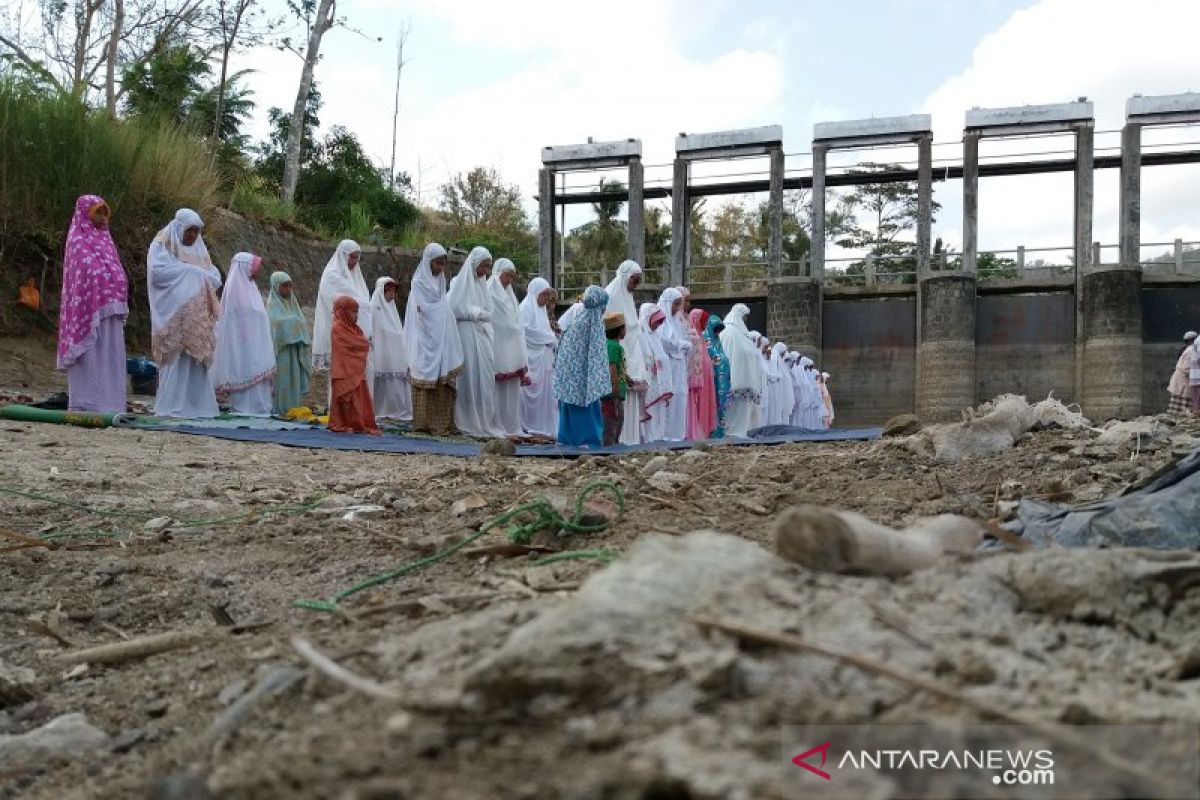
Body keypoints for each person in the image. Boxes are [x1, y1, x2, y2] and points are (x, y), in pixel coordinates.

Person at [57, 195, 128, 413]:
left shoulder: (106, 241)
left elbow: (115, 270)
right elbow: (82, 275)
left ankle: (111, 402)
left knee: (110, 356)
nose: (103, 217)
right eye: (98, 212)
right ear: (86, 213)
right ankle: (86, 402)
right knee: (91, 355)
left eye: (105, 212)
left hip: (110, 311)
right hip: (87, 312)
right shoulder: (77, 240)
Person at [147, 208, 221, 418]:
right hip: (174, 314)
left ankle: (197, 407)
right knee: (177, 359)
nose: (193, 236)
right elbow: (158, 273)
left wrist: (196, 274)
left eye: (197, 231)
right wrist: (190, 272)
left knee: (195, 361)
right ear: (180, 227)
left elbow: (214, 276)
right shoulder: (162, 244)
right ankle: (172, 405)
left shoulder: (199, 249)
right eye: (190, 231)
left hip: (196, 317)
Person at [405, 243, 464, 435]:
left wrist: (443, 314)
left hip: (442, 340)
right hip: (425, 340)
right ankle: (424, 424)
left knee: (443, 382)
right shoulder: (418, 284)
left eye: (442, 264)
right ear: (429, 262)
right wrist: (441, 313)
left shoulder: (440, 282)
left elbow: (442, 307)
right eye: (437, 263)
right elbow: (422, 312)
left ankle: (443, 424)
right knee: (425, 378)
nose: (440, 268)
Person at [448, 246, 506, 438]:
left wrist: (485, 315)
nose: (486, 271)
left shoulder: (482, 285)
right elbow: (455, 307)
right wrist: (476, 313)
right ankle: (467, 419)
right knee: (470, 377)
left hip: (482, 335)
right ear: (474, 264)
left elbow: (489, 309)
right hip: (467, 335)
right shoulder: (461, 284)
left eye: (489, 267)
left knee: (485, 378)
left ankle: (483, 419)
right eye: (484, 266)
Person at [211, 253, 275, 416]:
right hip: (243, 343)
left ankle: (260, 407)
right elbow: (237, 318)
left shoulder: (251, 287)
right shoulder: (235, 290)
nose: (257, 271)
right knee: (245, 371)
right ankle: (245, 408)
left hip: (256, 343)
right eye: (254, 266)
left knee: (257, 373)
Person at [554, 285, 610, 447]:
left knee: (569, 407)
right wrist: (597, 379)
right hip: (581, 378)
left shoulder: (578, 320)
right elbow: (597, 354)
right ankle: (587, 440)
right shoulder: (593, 321)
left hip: (568, 376)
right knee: (585, 406)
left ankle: (566, 439)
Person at [313, 239, 370, 373]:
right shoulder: (331, 275)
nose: (355, 261)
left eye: (357, 257)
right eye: (352, 257)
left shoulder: (356, 275)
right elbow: (335, 300)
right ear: (343, 255)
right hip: (337, 327)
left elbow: (362, 297)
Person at [605, 261, 646, 444]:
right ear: (625, 277)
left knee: (629, 398)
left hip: (630, 349)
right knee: (616, 404)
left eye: (638, 281)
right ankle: (616, 439)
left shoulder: (627, 297)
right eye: (633, 280)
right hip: (618, 349)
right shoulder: (612, 294)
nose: (635, 285)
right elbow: (610, 325)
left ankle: (630, 436)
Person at [488, 258, 528, 436]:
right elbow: (492, 318)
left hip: (512, 348)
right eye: (507, 276)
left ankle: (511, 425)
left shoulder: (511, 296)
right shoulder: (489, 290)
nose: (509, 280)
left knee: (511, 389)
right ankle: (497, 424)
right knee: (498, 387)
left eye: (512, 277)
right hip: (498, 347)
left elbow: (516, 321)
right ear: (498, 273)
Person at [328, 295, 379, 435]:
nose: (356, 315)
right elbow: (357, 345)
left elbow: (361, 344)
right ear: (343, 312)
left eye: (357, 312)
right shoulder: (337, 327)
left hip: (356, 371)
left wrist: (362, 345)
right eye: (353, 312)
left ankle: (357, 423)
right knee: (345, 399)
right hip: (344, 371)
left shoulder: (356, 329)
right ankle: (344, 423)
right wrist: (362, 345)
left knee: (359, 399)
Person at [267, 271, 312, 414]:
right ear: (276, 287)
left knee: (294, 381)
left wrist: (295, 323)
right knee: (282, 382)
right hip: (281, 353)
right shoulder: (271, 304)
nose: (288, 290)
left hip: (295, 350)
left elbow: (301, 322)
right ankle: (279, 408)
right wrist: (293, 323)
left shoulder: (293, 304)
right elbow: (275, 324)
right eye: (284, 286)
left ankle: (292, 409)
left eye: (289, 286)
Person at [368, 276, 412, 421]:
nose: (392, 295)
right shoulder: (374, 307)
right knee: (383, 381)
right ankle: (381, 408)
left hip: (394, 352)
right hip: (381, 351)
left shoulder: (392, 310)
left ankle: (395, 409)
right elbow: (374, 329)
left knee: (395, 382)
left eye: (394, 292)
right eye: (389, 291)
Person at [519, 276, 558, 437]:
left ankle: (544, 426)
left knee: (546, 396)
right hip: (532, 358)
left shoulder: (541, 311)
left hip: (545, 360)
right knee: (531, 392)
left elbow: (546, 331)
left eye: (546, 296)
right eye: (543, 295)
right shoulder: (526, 308)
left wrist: (550, 339)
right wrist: (548, 338)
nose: (545, 299)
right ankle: (530, 425)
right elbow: (525, 331)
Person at [718, 304, 765, 437]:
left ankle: (740, 433)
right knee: (731, 410)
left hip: (744, 380)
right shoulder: (727, 332)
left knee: (741, 409)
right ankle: (730, 433)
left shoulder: (740, 333)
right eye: (743, 317)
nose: (744, 321)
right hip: (733, 378)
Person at [656, 287, 691, 441]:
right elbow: (663, 341)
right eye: (675, 304)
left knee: (679, 396)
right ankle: (666, 434)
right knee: (668, 398)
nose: (677, 308)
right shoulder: (661, 319)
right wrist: (681, 345)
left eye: (679, 304)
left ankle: (677, 434)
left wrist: (683, 345)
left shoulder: (676, 320)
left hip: (678, 365)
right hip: (667, 364)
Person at [638, 303, 673, 443]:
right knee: (649, 409)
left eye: (659, 321)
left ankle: (657, 435)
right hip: (648, 379)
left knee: (657, 409)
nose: (658, 324)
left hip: (657, 380)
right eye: (655, 321)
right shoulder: (641, 334)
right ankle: (647, 438)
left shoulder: (654, 336)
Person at [687, 308, 717, 439]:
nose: (705, 325)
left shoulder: (702, 338)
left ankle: (704, 431)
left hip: (705, 379)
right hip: (697, 379)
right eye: (703, 321)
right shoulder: (692, 337)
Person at [601, 312, 629, 447]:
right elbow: (611, 366)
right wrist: (615, 385)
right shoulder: (612, 346)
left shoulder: (616, 346)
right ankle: (609, 444)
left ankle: (615, 441)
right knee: (611, 417)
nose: (625, 331)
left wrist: (627, 379)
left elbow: (619, 366)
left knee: (619, 416)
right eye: (624, 328)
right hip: (613, 390)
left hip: (619, 390)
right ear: (619, 330)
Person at [704, 314, 730, 438]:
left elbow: (722, 356)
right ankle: (711, 431)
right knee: (712, 403)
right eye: (716, 329)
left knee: (721, 404)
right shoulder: (706, 338)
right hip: (711, 379)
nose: (718, 332)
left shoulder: (718, 341)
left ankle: (720, 431)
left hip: (721, 379)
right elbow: (712, 356)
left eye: (719, 329)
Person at [1168, 331, 1197, 415]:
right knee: (1183, 407)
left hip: (1182, 380)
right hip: (1184, 380)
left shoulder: (1189, 349)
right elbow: (1186, 369)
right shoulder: (1192, 350)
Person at [769, 342, 795, 426]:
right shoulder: (774, 358)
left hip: (781, 392)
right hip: (776, 391)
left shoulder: (781, 362)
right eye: (783, 353)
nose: (784, 355)